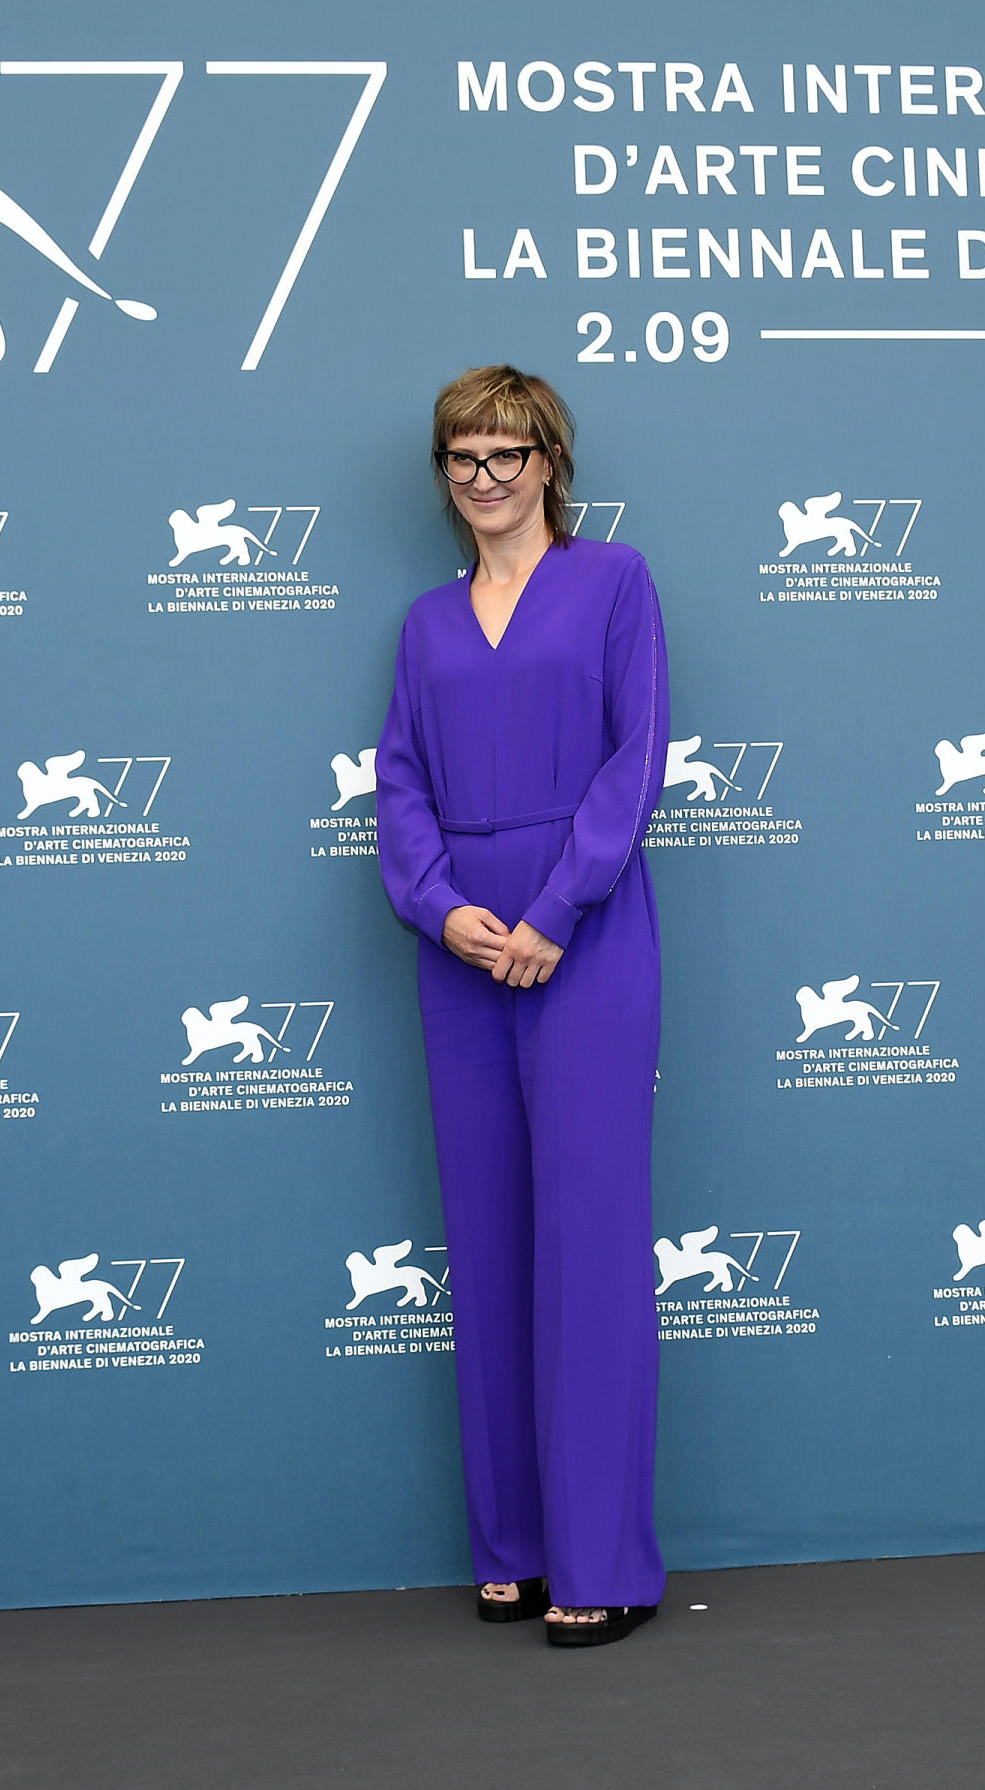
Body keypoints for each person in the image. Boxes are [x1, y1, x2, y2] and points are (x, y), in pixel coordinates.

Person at [373, 367, 669, 1646]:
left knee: (588, 1243)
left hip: (582, 933)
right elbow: (397, 783)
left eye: (507, 454)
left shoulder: (615, 583)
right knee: (488, 1242)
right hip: (461, 942)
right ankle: (514, 1544)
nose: (485, 478)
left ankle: (603, 1559)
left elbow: (635, 756)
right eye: (462, 458)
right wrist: (441, 908)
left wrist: (557, 908)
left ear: (550, 459)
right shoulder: (425, 624)